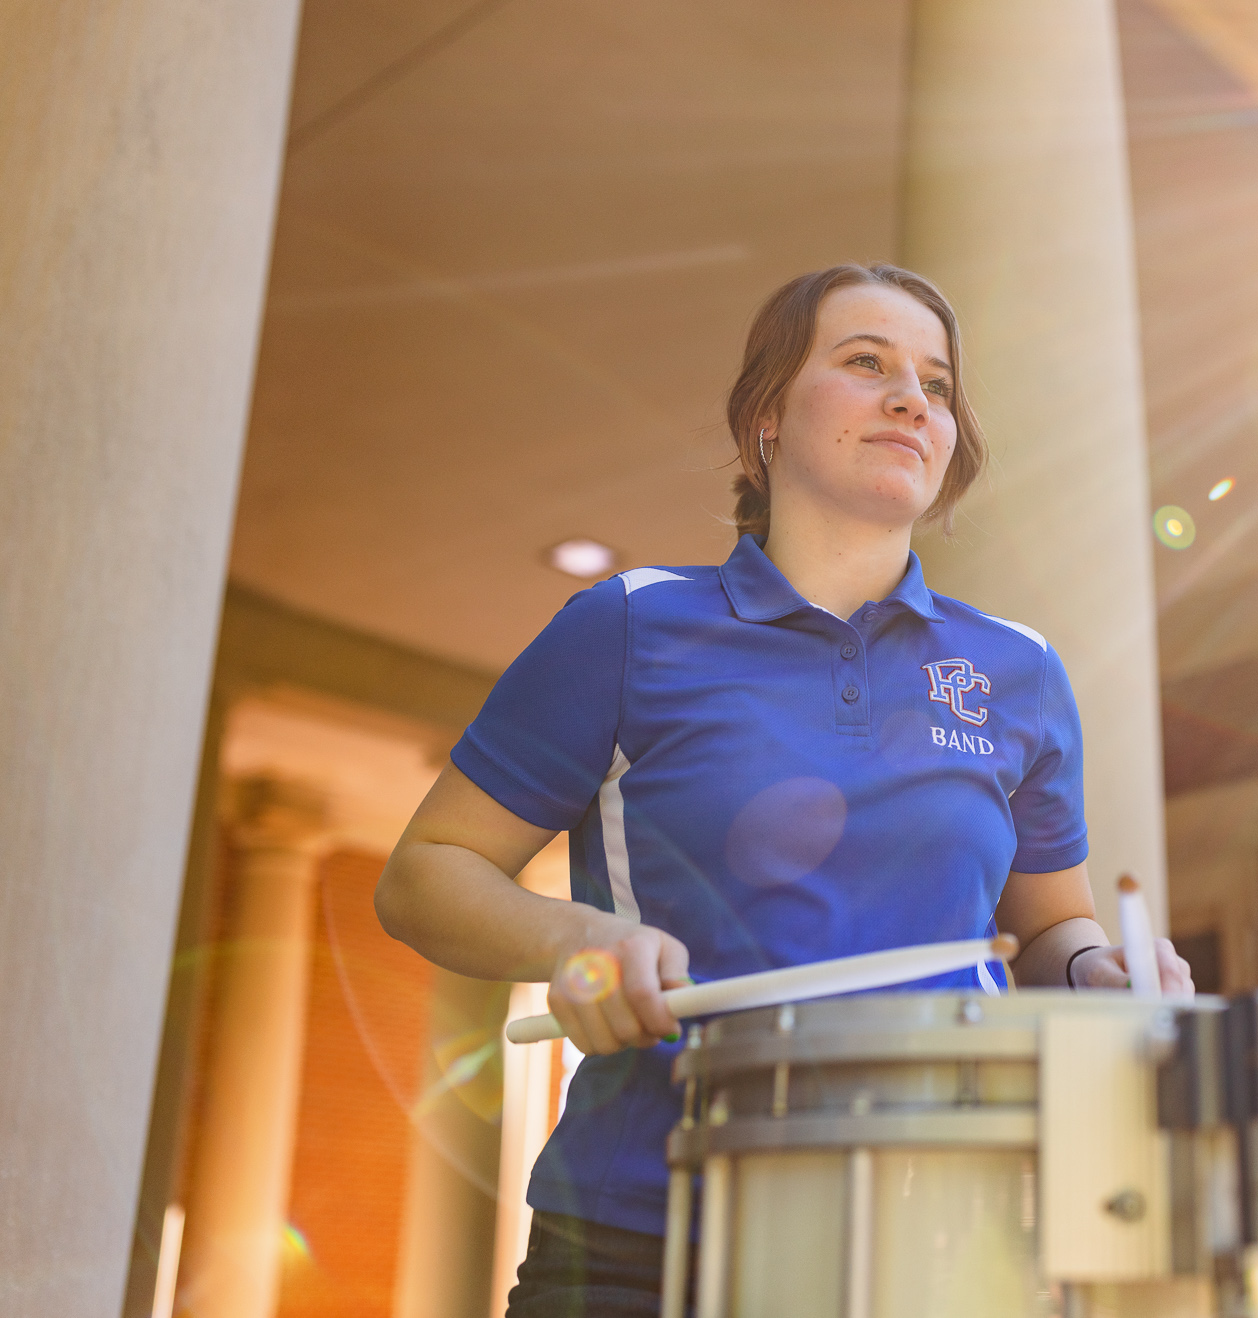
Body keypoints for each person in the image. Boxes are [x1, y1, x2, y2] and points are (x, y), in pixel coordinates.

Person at [375, 262, 1193, 1316]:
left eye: (936, 385)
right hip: (642, 1237)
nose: (911, 398)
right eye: (865, 363)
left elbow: (1048, 932)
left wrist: (1100, 975)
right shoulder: (627, 626)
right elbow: (423, 874)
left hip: (941, 1233)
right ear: (766, 416)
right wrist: (576, 944)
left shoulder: (1018, 671)